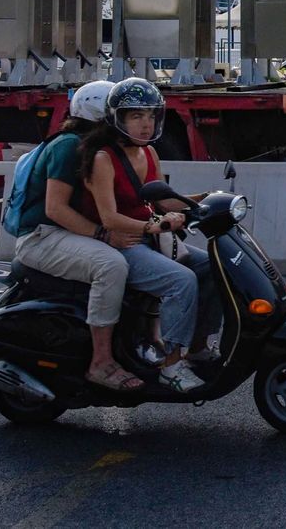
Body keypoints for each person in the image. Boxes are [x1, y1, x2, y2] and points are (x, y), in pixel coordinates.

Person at [76, 77, 220, 394]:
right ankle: (171, 365)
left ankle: (196, 346)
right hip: (124, 242)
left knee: (212, 266)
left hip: (151, 236)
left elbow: (162, 200)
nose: (145, 124)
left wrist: (203, 199)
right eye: (136, 116)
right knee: (181, 280)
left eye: (150, 116)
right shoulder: (103, 158)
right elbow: (109, 216)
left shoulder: (149, 153)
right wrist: (150, 226)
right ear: (118, 119)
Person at [12, 79, 144, 392]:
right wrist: (104, 235)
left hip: (65, 233)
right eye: (119, 112)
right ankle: (100, 362)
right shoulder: (69, 146)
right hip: (42, 236)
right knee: (110, 265)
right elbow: (55, 209)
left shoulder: (101, 147)